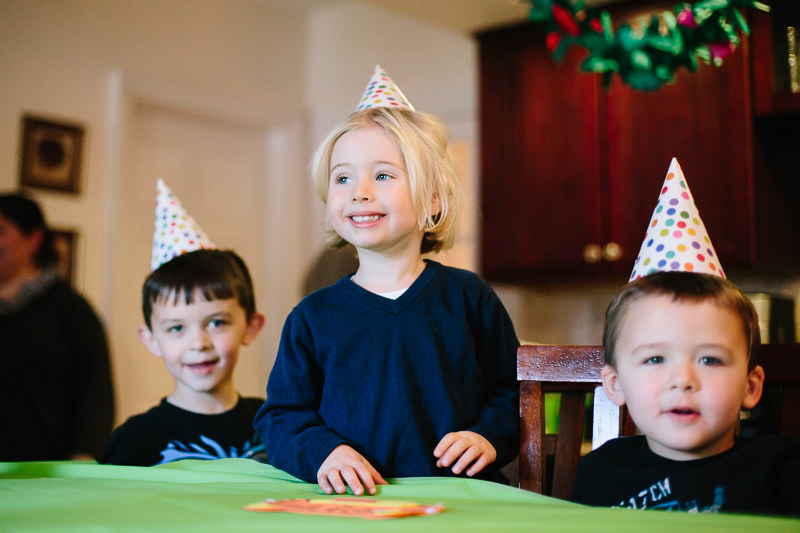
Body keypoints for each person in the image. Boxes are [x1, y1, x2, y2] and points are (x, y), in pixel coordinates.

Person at [254, 66, 519, 497]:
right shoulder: (312, 318)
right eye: (343, 178)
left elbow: (511, 393)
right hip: (353, 507)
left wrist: (487, 436)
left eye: (381, 175)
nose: (359, 191)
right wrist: (323, 452)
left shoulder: (470, 298)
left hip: (463, 505)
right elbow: (281, 416)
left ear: (432, 198)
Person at [571, 158, 800, 517]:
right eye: (655, 359)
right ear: (615, 385)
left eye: (709, 359)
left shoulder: (783, 473)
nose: (683, 381)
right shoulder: (599, 474)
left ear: (751, 387)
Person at [101, 181, 267, 466]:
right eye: (176, 328)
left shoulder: (277, 424)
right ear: (151, 339)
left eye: (216, 323)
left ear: (251, 327)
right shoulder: (135, 439)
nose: (199, 343)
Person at [0, 192, 114, 461]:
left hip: (45, 472)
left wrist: (85, 456)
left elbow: (96, 392)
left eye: (2, 230)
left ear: (34, 238)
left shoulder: (70, 309)